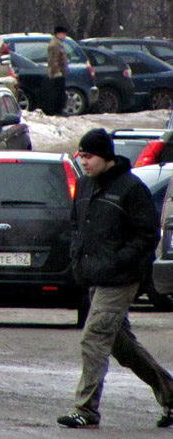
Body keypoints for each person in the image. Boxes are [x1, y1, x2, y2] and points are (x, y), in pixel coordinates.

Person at [57, 128, 173, 429]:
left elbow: (147, 235)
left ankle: (86, 410)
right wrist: (76, 252)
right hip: (94, 277)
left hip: (121, 279)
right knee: (122, 346)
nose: (84, 161)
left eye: (89, 156)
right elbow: (76, 225)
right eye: (81, 156)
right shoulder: (83, 186)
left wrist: (117, 261)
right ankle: (171, 394)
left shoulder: (131, 189)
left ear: (106, 157)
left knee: (93, 338)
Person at [48, 26, 71, 116]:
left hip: (60, 72)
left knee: (60, 92)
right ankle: (57, 111)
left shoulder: (58, 43)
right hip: (57, 73)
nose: (65, 36)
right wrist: (57, 72)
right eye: (63, 34)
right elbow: (53, 60)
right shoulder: (54, 45)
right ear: (59, 34)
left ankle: (60, 109)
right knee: (57, 93)